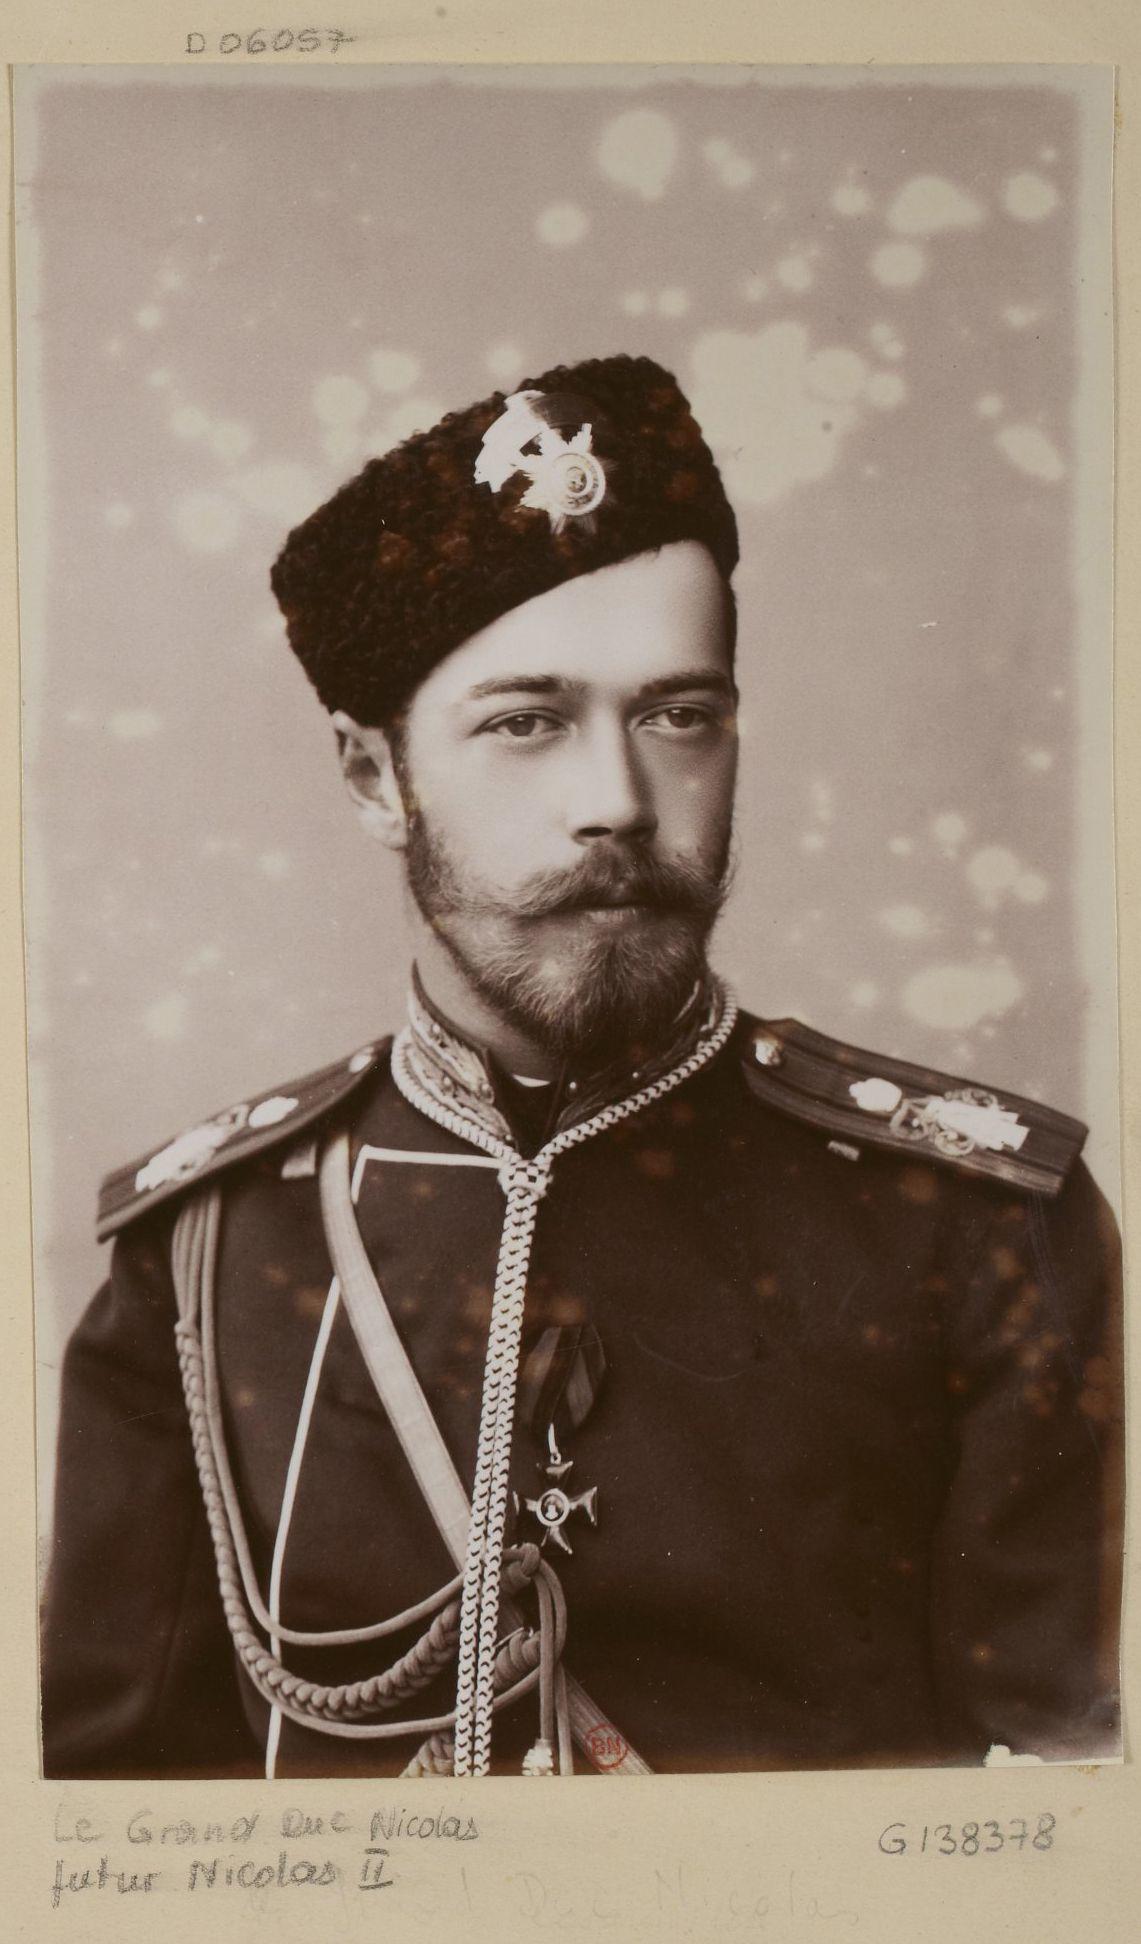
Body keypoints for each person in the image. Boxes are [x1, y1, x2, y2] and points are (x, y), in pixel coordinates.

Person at [40, 355, 1123, 1781]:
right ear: (374, 776)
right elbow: (100, 1833)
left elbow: (1072, 1824)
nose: (617, 802)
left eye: (679, 716)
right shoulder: (208, 1252)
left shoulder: (972, 1224)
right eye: (525, 722)